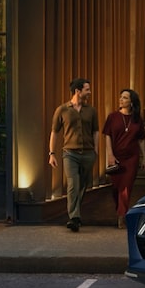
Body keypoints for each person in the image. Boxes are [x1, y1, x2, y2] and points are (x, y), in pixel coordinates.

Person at [49, 78, 97, 232]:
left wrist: (95, 151)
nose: (89, 92)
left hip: (88, 153)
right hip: (70, 154)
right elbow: (54, 132)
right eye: (87, 89)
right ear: (78, 91)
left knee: (83, 185)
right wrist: (52, 153)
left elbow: (95, 131)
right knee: (73, 184)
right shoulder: (62, 110)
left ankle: (76, 213)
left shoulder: (91, 111)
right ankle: (74, 217)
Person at [103, 88, 145, 229]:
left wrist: (144, 157)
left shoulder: (137, 119)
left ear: (131, 102)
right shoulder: (113, 117)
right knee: (116, 188)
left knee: (126, 187)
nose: (121, 100)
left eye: (125, 98)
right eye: (121, 97)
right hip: (116, 157)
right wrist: (110, 155)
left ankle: (122, 215)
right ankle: (120, 209)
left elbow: (141, 139)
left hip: (132, 158)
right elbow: (107, 136)